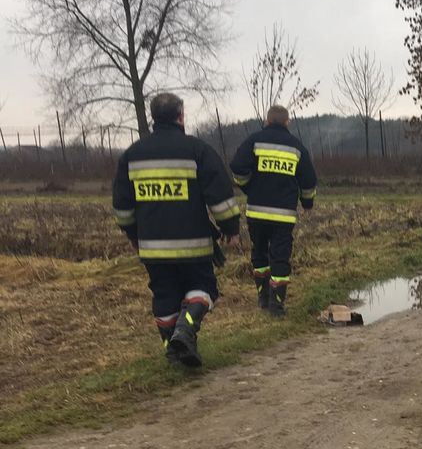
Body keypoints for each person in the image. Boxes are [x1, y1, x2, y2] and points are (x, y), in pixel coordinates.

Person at [112, 93, 240, 368]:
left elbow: (122, 206)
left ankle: (174, 353)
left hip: (152, 247)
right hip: (194, 244)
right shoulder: (197, 150)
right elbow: (219, 195)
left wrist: (133, 235)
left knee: (165, 297)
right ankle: (185, 331)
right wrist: (229, 227)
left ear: (153, 117)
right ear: (181, 115)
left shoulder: (132, 155)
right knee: (203, 289)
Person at [230, 105, 319, 318]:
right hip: (283, 215)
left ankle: (262, 297)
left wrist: (248, 187)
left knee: (259, 254)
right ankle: (276, 305)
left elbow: (237, 167)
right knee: (280, 258)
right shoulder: (297, 148)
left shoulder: (254, 141)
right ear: (287, 122)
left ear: (267, 121)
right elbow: (308, 181)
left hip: (257, 213)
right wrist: (307, 204)